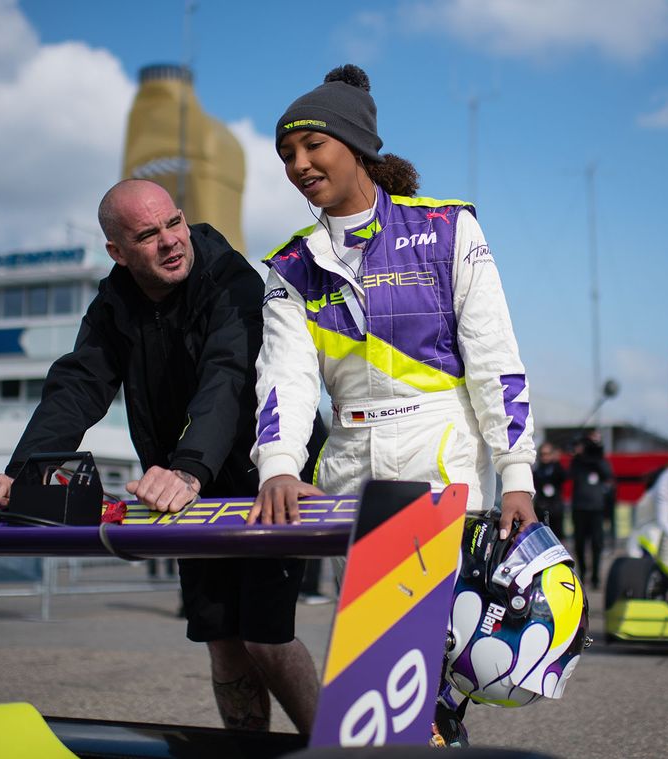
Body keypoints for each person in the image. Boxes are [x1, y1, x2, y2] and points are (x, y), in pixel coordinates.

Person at [0, 179, 320, 734]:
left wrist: (187, 468)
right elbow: (78, 386)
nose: (170, 241)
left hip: (262, 476)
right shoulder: (115, 304)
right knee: (222, 642)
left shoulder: (231, 282)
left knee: (266, 636)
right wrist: (25, 474)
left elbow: (226, 378)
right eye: (149, 234)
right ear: (118, 252)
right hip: (185, 490)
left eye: (174, 223)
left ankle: (339, 752)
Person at [246, 64, 538, 543]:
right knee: (367, 622)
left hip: (442, 459)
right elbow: (285, 376)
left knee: (447, 620)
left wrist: (517, 479)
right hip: (347, 468)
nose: (299, 164)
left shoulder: (448, 229)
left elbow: (494, 357)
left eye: (313, 145)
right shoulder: (290, 263)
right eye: (287, 154)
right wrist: (278, 468)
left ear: (357, 145)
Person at [568, 431, 613, 588]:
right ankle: (583, 571)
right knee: (579, 543)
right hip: (579, 507)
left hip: (596, 508)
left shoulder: (600, 461)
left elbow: (608, 474)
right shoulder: (578, 462)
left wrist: (598, 450)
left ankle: (595, 576)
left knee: (597, 543)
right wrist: (578, 453)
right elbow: (570, 474)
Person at [532, 443, 568, 541]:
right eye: (543, 454)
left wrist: (557, 462)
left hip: (555, 507)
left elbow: (565, 476)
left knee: (558, 535)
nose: (545, 457)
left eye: (548, 454)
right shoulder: (537, 470)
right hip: (541, 507)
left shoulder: (556, 468)